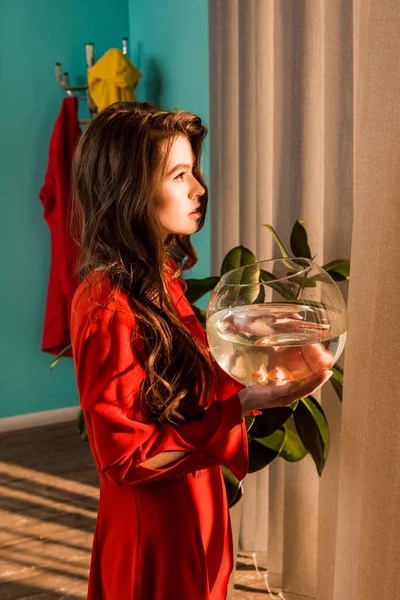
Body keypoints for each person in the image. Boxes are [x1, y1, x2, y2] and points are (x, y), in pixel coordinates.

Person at [69, 101, 333, 600]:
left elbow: (175, 386)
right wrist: (248, 403)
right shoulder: (109, 305)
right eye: (179, 175)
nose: (199, 189)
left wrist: (259, 338)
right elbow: (126, 460)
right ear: (129, 187)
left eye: (195, 171)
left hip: (191, 501)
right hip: (156, 531)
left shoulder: (155, 277)